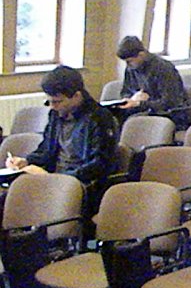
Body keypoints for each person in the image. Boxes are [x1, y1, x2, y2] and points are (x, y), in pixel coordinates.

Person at [7, 66, 118, 197]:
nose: (52, 106)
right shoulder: (56, 114)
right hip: (54, 177)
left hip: (80, 183)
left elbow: (99, 166)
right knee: (10, 196)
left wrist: (52, 178)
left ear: (77, 96)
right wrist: (26, 161)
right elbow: (46, 150)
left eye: (57, 101)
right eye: (49, 102)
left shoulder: (100, 119)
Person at [115, 35, 191, 129]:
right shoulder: (131, 68)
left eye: (129, 61)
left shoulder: (163, 68)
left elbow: (170, 102)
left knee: (133, 122)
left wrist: (140, 103)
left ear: (141, 55)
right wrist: (131, 98)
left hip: (172, 112)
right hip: (146, 108)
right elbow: (125, 91)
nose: (128, 65)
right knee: (114, 116)